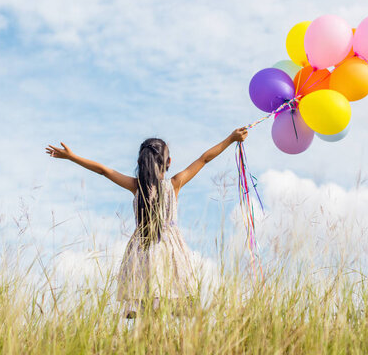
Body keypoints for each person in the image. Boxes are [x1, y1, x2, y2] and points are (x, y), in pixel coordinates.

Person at [46, 127, 248, 318]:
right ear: (168, 162)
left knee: (146, 314)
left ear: (141, 162)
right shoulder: (175, 184)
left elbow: (104, 171)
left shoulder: (136, 186)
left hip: (141, 250)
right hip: (169, 252)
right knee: (169, 306)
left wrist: (72, 157)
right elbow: (204, 159)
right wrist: (231, 139)